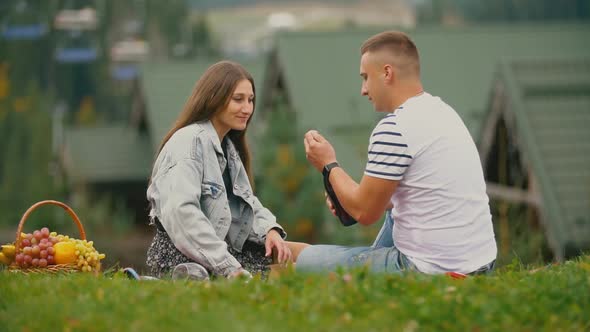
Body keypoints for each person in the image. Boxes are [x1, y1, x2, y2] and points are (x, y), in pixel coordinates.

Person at [298, 31, 497, 275]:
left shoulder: (395, 127)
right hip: (480, 263)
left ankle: (358, 271)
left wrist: (328, 165)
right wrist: (346, 194)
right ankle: (364, 268)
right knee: (393, 211)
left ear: (387, 73)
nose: (363, 89)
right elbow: (414, 192)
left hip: (430, 270)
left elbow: (365, 212)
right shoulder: (443, 111)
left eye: (365, 78)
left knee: (298, 262)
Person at [145, 61, 294, 279]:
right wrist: (230, 268)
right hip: (187, 259)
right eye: (238, 99)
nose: (247, 109)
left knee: (306, 255)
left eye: (251, 100)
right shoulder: (189, 142)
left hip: (221, 252)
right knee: (300, 273)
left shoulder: (228, 146)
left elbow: (246, 202)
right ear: (214, 97)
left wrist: (270, 230)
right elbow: (182, 214)